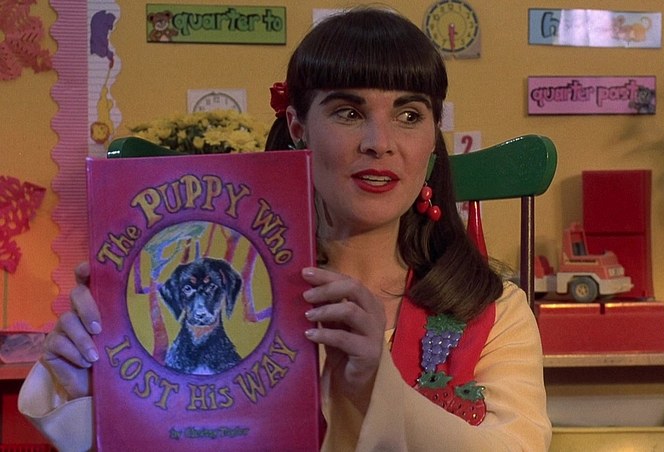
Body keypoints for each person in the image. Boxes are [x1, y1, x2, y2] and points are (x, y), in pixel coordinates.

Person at [18, 6, 552, 451]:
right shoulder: (248, 306)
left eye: (409, 115)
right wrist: (91, 386)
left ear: (434, 134)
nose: (380, 142)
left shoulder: (492, 311)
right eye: (348, 112)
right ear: (298, 125)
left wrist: (376, 384)